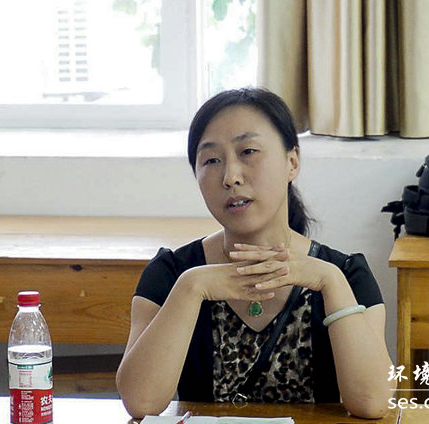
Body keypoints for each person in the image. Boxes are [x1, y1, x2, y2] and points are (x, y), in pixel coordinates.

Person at [116, 88, 395, 418]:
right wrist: (191, 289)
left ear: (292, 162)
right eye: (211, 160)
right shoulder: (172, 273)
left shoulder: (346, 274)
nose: (230, 177)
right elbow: (142, 403)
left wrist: (330, 281)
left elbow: (372, 402)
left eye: (248, 151)